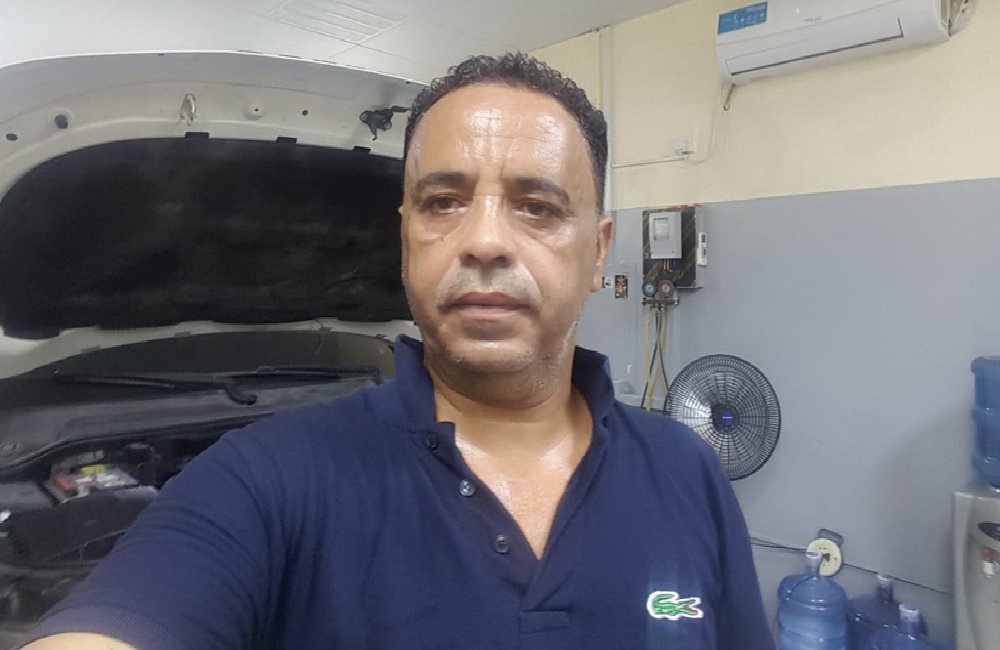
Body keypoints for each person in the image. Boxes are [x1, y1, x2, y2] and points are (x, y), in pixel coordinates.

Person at [20, 52, 773, 650]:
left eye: (537, 207)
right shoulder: (266, 479)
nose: (484, 240)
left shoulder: (687, 471)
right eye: (443, 202)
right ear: (407, 232)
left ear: (598, 250)